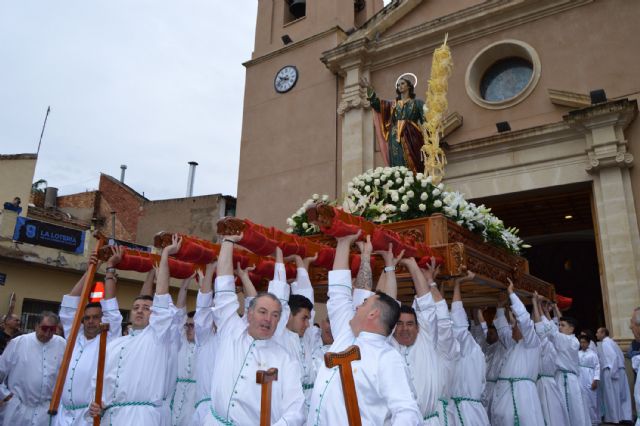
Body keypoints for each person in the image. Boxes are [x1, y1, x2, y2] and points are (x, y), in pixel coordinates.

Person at [307, 231, 422, 425]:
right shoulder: (346, 332)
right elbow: (338, 293)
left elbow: (407, 412)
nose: (358, 305)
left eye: (364, 303)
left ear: (373, 314)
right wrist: (343, 243)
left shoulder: (386, 357)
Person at [201, 233, 305, 426]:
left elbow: (296, 411)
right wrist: (228, 241)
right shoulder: (231, 332)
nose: (268, 319)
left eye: (275, 315)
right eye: (263, 312)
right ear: (249, 314)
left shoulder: (286, 360)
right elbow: (224, 283)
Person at [88, 235, 181, 424]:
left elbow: (161, 295)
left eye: (147, 309)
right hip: (111, 417)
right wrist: (97, 403)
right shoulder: (115, 343)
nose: (140, 311)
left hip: (141, 418)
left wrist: (165, 256)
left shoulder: (157, 336)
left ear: (154, 314)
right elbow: (101, 380)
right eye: (136, 307)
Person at [54, 248, 123, 426]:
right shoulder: (73, 339)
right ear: (82, 321)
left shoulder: (108, 340)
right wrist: (92, 268)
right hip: (62, 414)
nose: (91, 321)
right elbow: (69, 303)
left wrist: (109, 269)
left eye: (96, 317)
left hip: (88, 417)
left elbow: (112, 311)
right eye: (87, 318)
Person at [397, 255, 459, 424]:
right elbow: (384, 302)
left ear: (419, 328)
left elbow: (431, 310)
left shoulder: (430, 342)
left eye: (410, 324)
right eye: (399, 324)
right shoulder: (389, 345)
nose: (404, 329)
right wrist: (389, 266)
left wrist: (413, 266)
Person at [490, 280, 545, 426]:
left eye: (515, 327)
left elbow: (525, 320)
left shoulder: (532, 343)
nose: (511, 329)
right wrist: (500, 307)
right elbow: (502, 330)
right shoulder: (512, 344)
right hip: (506, 393)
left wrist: (512, 294)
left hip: (522, 395)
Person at [0, 310, 66, 425]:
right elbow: (1, 371)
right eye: (44, 328)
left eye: (52, 330)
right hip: (18, 409)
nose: (47, 334)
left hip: (46, 413)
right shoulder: (18, 343)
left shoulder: (61, 344)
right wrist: (5, 396)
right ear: (36, 326)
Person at [533, 297, 589, 426]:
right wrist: (550, 309)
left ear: (572, 329)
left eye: (563, 326)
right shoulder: (564, 337)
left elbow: (550, 328)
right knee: (559, 411)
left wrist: (538, 305)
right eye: (560, 325)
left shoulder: (571, 341)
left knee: (573, 411)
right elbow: (554, 325)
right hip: (558, 378)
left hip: (569, 381)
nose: (559, 327)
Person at [446, 271, 491, 426]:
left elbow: (459, 322)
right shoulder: (474, 347)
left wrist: (457, 285)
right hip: (475, 412)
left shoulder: (468, 346)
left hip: (463, 413)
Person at [359, 75, 426, 172]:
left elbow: (426, 122)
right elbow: (377, 104)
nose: (400, 86)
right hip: (395, 137)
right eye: (398, 85)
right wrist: (368, 88)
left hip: (412, 136)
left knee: (414, 162)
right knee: (397, 160)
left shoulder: (418, 103)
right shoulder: (393, 105)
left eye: (403, 83)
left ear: (409, 86)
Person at [531, 298, 569, 426]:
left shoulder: (552, 343)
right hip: (542, 381)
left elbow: (540, 326)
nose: (558, 326)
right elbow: (548, 324)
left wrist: (536, 304)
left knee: (551, 413)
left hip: (546, 383)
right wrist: (544, 309)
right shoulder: (551, 339)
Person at [596, 326, 632, 423]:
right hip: (619, 370)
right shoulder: (612, 342)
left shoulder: (605, 343)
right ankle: (624, 416)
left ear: (603, 333)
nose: (596, 334)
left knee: (612, 396)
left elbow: (613, 358)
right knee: (622, 395)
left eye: (598, 332)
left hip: (612, 371)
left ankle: (614, 418)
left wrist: (613, 373)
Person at [170, 310, 197, 426]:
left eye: (192, 326)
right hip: (177, 393)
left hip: (194, 396)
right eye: (187, 325)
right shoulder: (181, 344)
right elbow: (179, 312)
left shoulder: (206, 346)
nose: (188, 329)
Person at [577, 335, 600, 425]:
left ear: (588, 343)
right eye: (581, 342)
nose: (582, 344)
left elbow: (597, 367)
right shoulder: (578, 353)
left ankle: (593, 420)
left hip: (589, 376)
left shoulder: (593, 354)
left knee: (591, 399)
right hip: (580, 377)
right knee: (582, 398)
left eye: (584, 342)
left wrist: (595, 379)